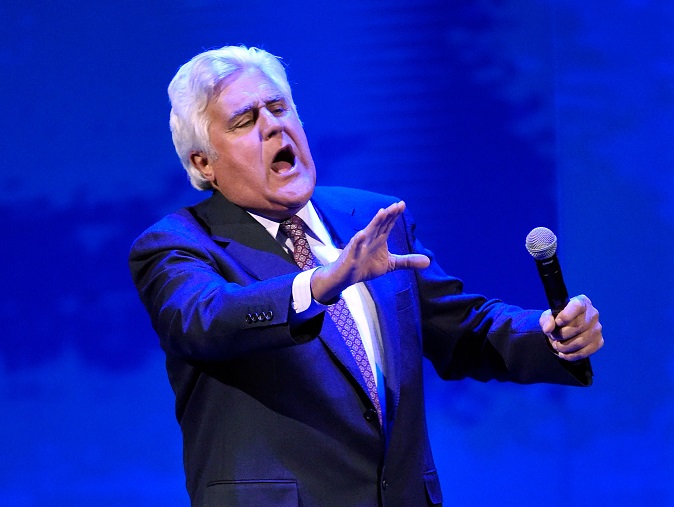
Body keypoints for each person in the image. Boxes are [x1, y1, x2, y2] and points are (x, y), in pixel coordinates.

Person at [129, 45, 603, 507]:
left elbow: (461, 331)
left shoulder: (372, 217)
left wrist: (549, 335)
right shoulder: (180, 244)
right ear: (203, 163)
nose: (274, 125)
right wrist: (319, 284)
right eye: (246, 120)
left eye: (279, 108)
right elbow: (204, 319)